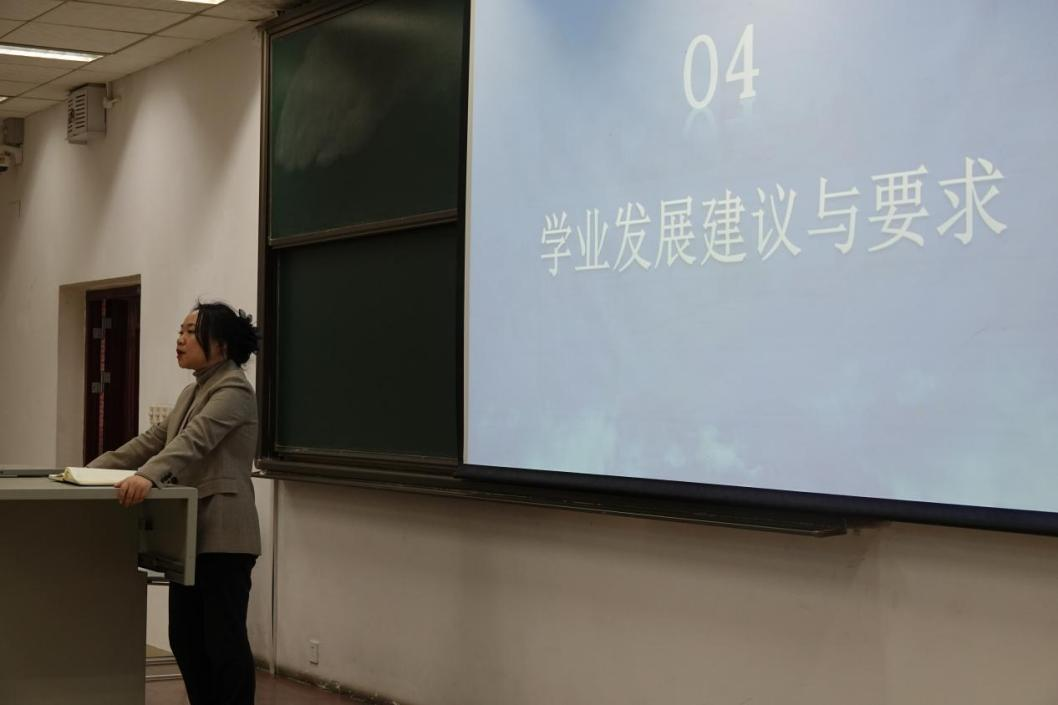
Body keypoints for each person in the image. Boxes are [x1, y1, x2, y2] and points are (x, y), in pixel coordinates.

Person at [88, 301, 261, 705]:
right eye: (180, 331)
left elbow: (193, 441)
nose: (180, 340)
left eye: (190, 332)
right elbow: (151, 441)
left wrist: (148, 476)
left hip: (224, 535)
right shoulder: (193, 390)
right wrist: (88, 470)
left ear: (220, 344)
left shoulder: (233, 389)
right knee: (185, 638)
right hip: (189, 536)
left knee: (223, 643)